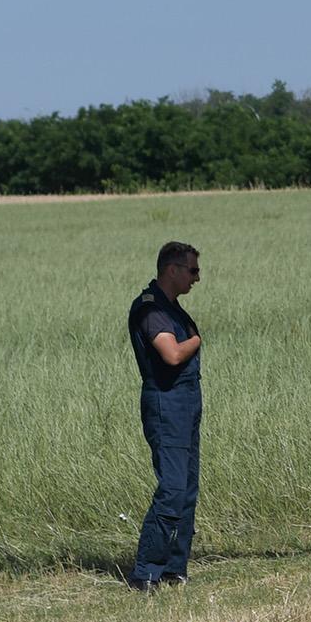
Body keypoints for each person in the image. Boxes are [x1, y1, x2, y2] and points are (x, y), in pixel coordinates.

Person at [129, 241, 204, 590]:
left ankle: (175, 568)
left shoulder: (173, 309)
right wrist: (197, 340)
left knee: (187, 489)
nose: (197, 278)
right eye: (192, 270)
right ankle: (146, 572)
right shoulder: (150, 309)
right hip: (166, 403)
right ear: (171, 270)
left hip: (186, 403)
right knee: (173, 488)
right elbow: (172, 354)